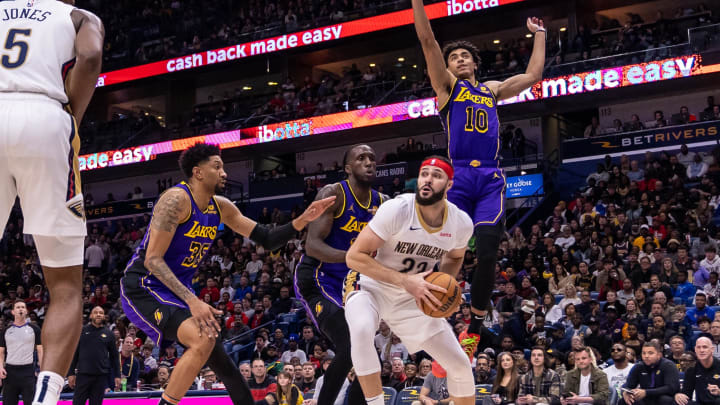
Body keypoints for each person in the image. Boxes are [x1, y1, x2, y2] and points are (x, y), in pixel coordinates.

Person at [119, 143, 334, 405]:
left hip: (173, 291)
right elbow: (153, 260)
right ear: (198, 172)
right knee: (203, 338)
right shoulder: (176, 200)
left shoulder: (221, 207)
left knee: (213, 345)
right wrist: (193, 300)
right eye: (217, 166)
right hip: (143, 285)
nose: (224, 173)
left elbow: (266, 238)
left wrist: (303, 219)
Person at [410, 0, 546, 358]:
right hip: (458, 176)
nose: (458, 60)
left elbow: (533, 77)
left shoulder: (492, 90)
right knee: (448, 252)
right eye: (453, 57)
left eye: (463, 57)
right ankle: (432, 316)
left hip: (489, 176)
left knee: (487, 252)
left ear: (474, 63)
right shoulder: (447, 89)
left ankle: (474, 326)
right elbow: (427, 42)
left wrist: (541, 35)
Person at [0, 0, 104, 403]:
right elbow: (91, 55)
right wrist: (72, 116)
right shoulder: (77, 16)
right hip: (44, 116)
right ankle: (46, 398)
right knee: (65, 285)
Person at [345, 157, 475, 405]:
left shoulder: (460, 223)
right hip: (371, 284)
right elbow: (354, 257)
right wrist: (405, 281)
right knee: (361, 329)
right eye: (424, 173)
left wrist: (444, 287)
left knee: (459, 364)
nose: (428, 179)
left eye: (436, 175)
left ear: (449, 185)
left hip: (415, 296)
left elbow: (456, 255)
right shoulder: (398, 209)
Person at [293, 144, 385, 405]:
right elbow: (313, 245)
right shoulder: (334, 194)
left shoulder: (383, 203)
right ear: (347, 168)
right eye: (361, 158)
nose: (369, 162)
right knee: (350, 346)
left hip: (352, 283)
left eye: (372, 158)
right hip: (318, 277)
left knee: (371, 360)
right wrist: (352, 257)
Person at [68, 306, 119, 405]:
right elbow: (74, 354)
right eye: (96, 312)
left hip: (100, 377)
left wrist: (117, 375)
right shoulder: (81, 331)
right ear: (91, 315)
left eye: (101, 312)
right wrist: (71, 373)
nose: (98, 314)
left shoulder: (109, 334)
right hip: (83, 375)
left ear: (104, 316)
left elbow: (114, 357)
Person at [0, 301, 43, 405]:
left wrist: (43, 369)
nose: (20, 309)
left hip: (28, 371)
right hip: (10, 372)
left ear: (26, 311)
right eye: (18, 307)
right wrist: (0, 367)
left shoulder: (35, 329)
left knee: (30, 402)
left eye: (23, 307)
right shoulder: (6, 330)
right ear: (13, 312)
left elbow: (41, 350)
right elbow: (1, 352)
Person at [676, 337, 720, 405]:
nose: (701, 350)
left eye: (705, 347)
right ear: (695, 350)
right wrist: (679, 395)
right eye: (698, 347)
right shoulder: (692, 369)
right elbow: (687, 393)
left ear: (712, 349)